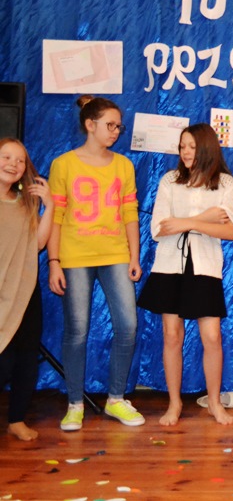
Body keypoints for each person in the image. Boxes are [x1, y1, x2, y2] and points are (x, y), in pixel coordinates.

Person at [48, 96, 144, 431]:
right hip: (75, 256)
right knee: (77, 330)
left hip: (115, 254)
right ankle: (74, 403)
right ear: (90, 125)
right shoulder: (63, 164)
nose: (115, 131)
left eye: (119, 126)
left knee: (128, 325)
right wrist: (54, 261)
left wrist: (134, 256)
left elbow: (130, 213)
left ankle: (116, 399)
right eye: (110, 125)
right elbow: (56, 216)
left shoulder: (124, 165)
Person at [137, 124, 233, 426]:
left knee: (212, 336)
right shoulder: (170, 180)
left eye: (192, 146)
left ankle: (215, 403)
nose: (185, 152)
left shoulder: (225, 183)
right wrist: (205, 218)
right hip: (170, 265)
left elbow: (230, 230)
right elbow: (159, 229)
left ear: (206, 148)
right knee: (172, 335)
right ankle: (174, 403)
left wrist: (186, 223)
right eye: (182, 146)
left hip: (205, 266)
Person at [0, 139, 54, 440]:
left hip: (24, 291)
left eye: (20, 160)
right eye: (6, 157)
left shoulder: (24, 204)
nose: (13, 164)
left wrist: (50, 206)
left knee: (25, 357)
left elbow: (39, 244)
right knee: (3, 360)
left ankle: (17, 420)